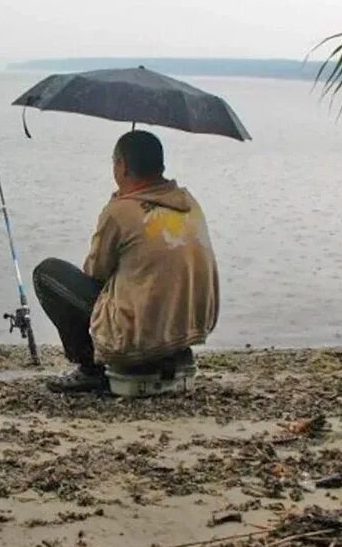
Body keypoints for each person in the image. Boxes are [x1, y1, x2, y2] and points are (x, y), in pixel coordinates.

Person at [33, 130, 219, 393]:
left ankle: (90, 369)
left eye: (114, 162)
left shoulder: (120, 212)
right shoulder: (189, 203)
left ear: (122, 166)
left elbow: (95, 272)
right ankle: (170, 351)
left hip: (136, 338)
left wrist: (112, 211)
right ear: (160, 166)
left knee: (48, 274)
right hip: (187, 329)